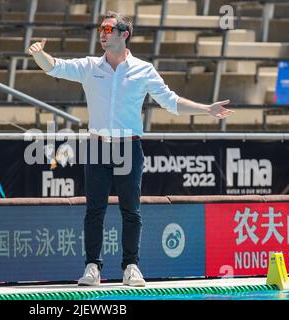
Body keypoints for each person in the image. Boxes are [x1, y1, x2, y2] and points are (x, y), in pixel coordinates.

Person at [28, 11, 234, 287]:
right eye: (101, 28)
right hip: (98, 147)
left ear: (124, 34)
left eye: (109, 28)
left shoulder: (144, 70)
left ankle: (131, 266)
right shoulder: (90, 66)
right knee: (94, 211)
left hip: (129, 147)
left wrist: (207, 109)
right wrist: (39, 54)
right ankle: (92, 267)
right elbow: (55, 67)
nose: (103, 33)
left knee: (131, 211)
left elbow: (170, 102)